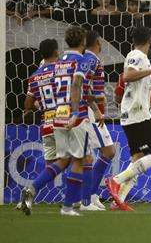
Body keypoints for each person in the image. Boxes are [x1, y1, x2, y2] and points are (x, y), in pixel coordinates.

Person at [105, 26, 151, 210]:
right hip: (136, 115)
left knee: (137, 158)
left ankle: (117, 200)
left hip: (134, 114)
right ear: (149, 40)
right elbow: (128, 76)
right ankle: (116, 180)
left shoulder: (139, 57)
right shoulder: (137, 55)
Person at [19, 39, 70, 216]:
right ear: (56, 52)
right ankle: (75, 200)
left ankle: (27, 198)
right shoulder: (60, 69)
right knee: (68, 160)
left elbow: (28, 103)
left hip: (46, 124)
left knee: (50, 168)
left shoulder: (34, 76)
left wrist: (35, 107)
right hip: (62, 120)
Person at [55, 27, 102, 216]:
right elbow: (76, 85)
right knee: (81, 159)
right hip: (78, 115)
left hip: (58, 113)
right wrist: (76, 112)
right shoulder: (82, 60)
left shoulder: (59, 62)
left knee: (66, 160)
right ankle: (72, 205)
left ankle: (33, 190)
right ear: (83, 42)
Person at [79, 30, 115, 211]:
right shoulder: (92, 60)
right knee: (108, 151)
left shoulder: (83, 60)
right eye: (100, 42)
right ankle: (86, 197)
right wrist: (97, 107)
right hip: (87, 111)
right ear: (96, 43)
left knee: (91, 155)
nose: (101, 45)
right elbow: (83, 87)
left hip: (86, 110)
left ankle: (90, 196)